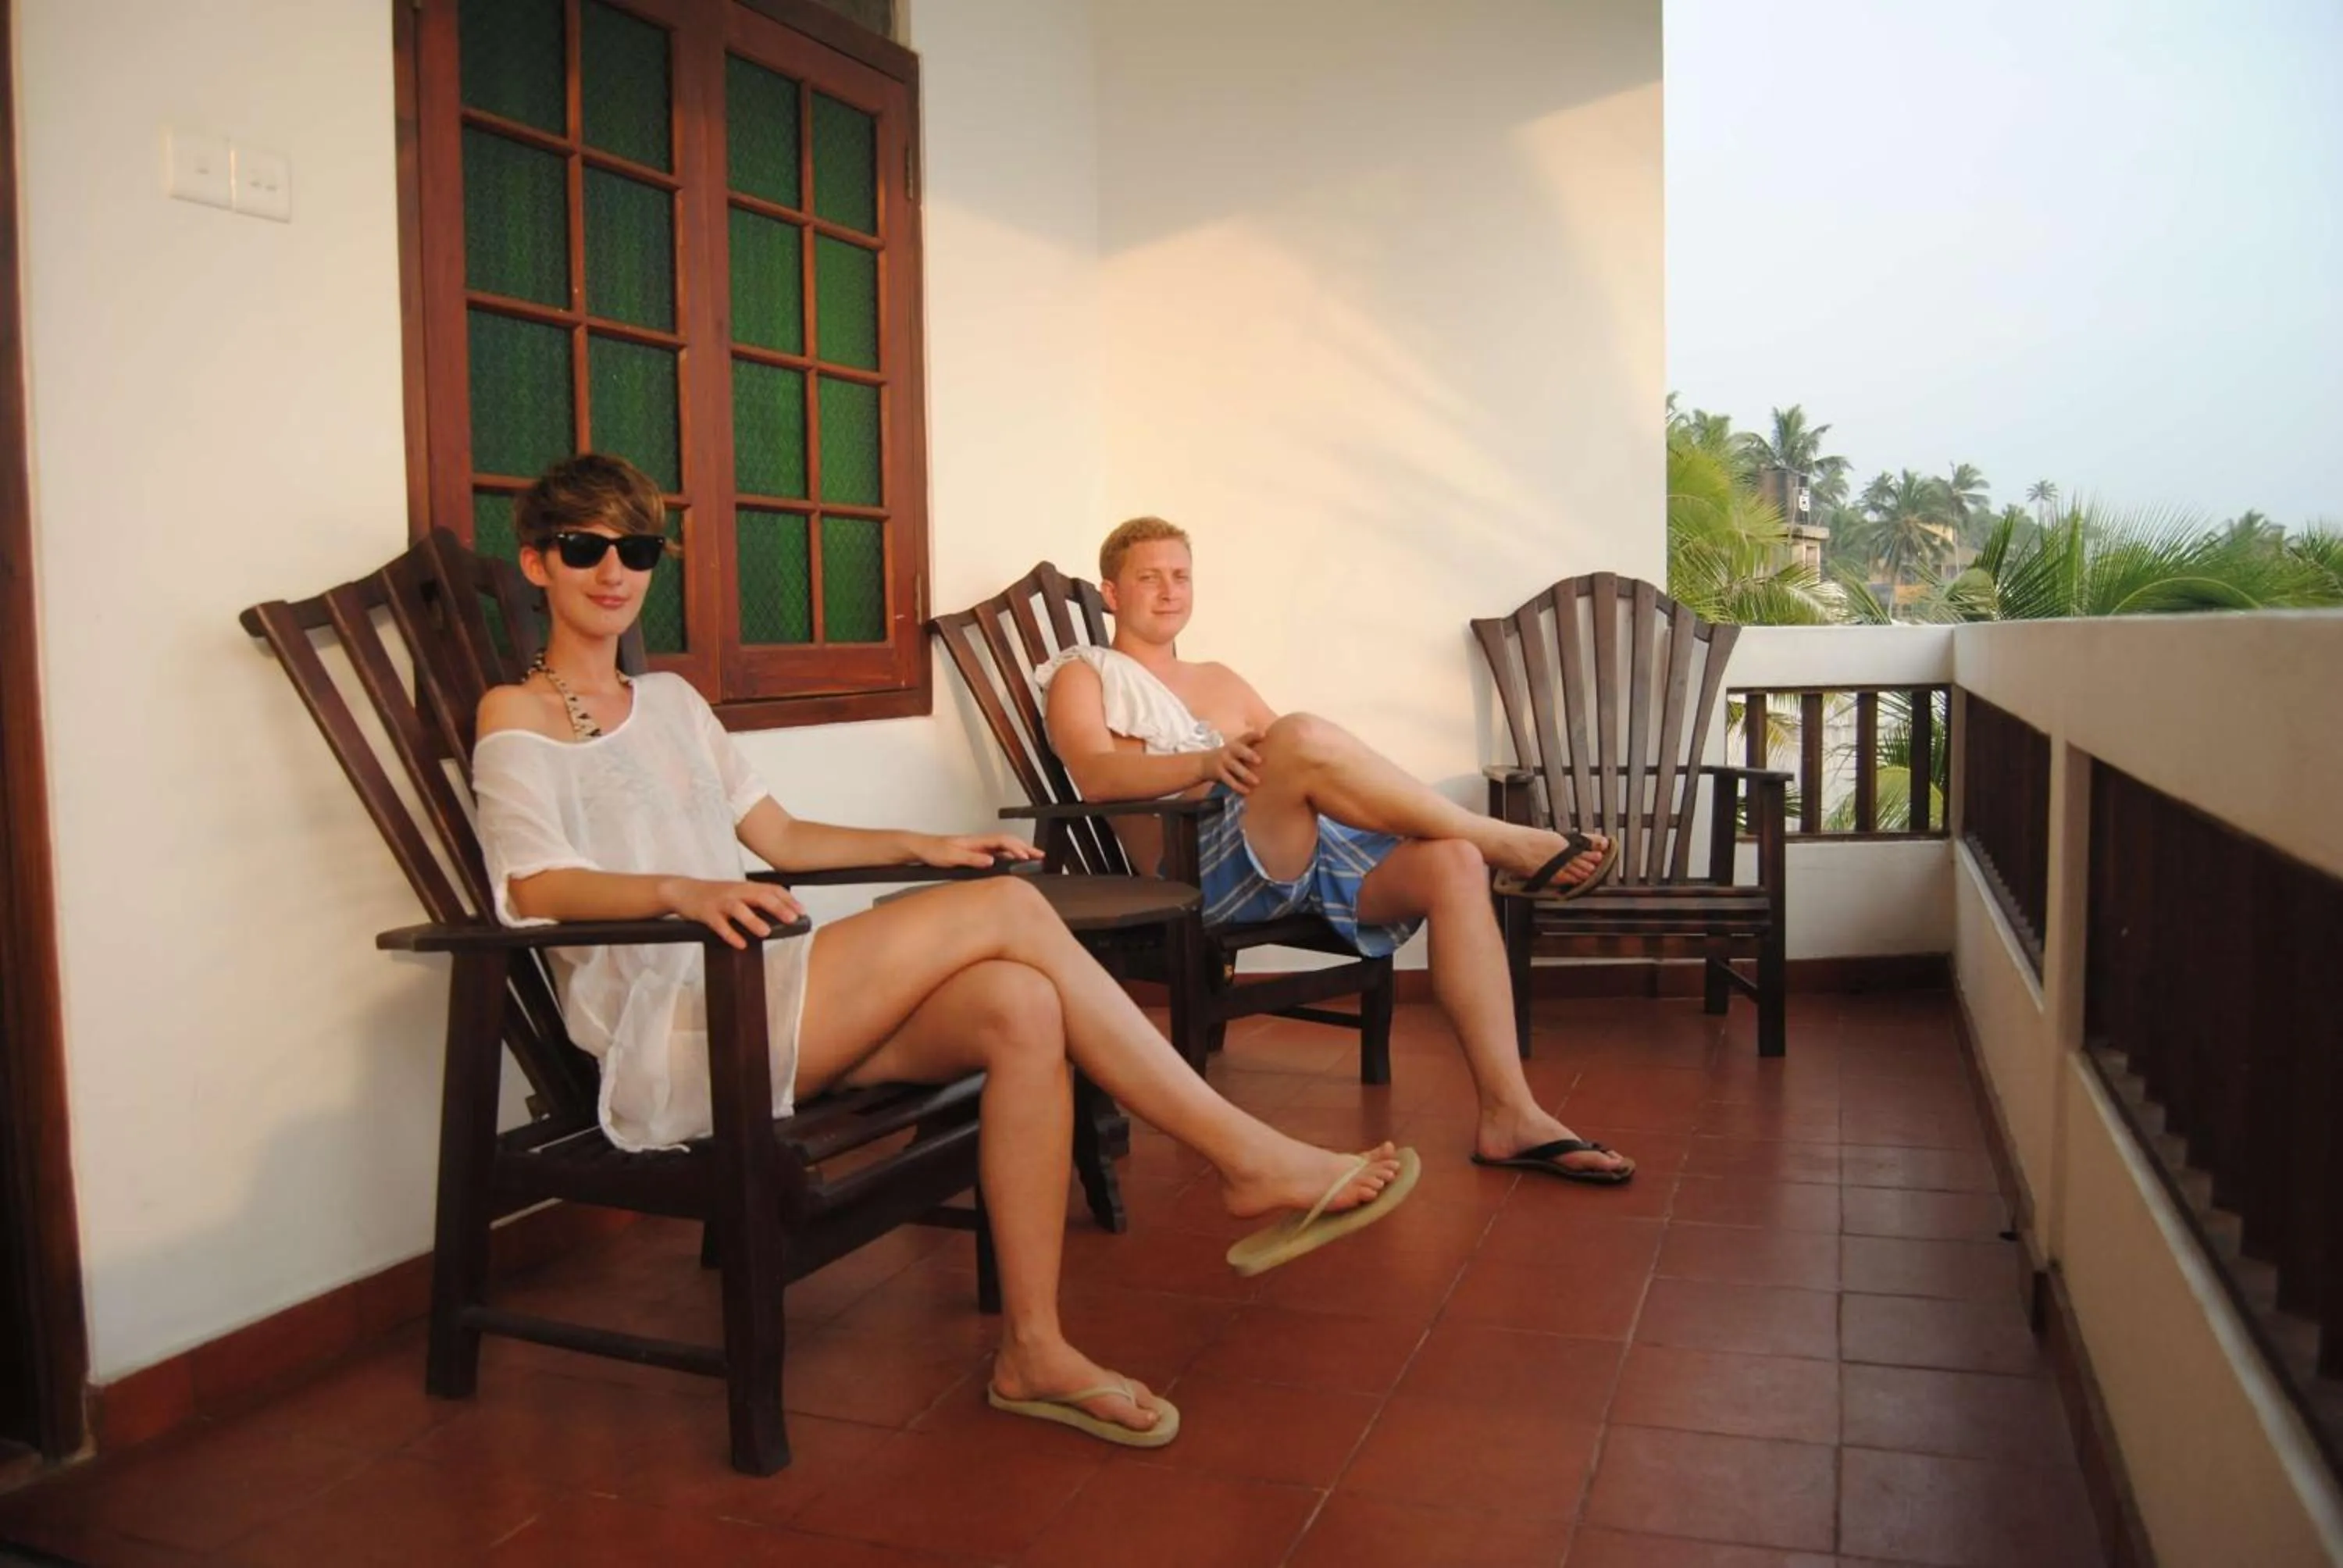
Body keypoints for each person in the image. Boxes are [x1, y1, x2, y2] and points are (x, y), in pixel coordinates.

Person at [470, 456, 1418, 1450]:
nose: (613, 571)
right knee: (1009, 911)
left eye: (637, 550)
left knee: (1019, 1003)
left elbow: (784, 838)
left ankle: (1035, 1350)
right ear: (538, 563)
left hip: (763, 988)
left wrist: (923, 845)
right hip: (676, 1032)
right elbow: (533, 886)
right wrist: (680, 889)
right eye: (584, 549)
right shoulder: (515, 713)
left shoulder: (672, 707)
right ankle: (1243, 1155)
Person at [1040, 516, 1637, 1184]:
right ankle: (1505, 840)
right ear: (1112, 594)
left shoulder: (1219, 677)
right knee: (1298, 734)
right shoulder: (1085, 674)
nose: (1169, 590)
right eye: (1149, 577)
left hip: (1299, 853)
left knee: (1452, 864)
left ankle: (1510, 1115)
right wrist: (1207, 759)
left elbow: (1313, 766)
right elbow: (1094, 773)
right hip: (1197, 870)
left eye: (1181, 576)